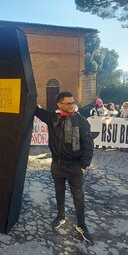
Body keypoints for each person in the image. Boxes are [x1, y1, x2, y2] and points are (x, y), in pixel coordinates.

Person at [34, 91, 94, 244]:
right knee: (59, 192)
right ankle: (61, 217)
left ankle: (81, 225)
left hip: (75, 166)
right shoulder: (53, 118)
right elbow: (34, 110)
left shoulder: (80, 121)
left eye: (73, 102)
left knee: (78, 196)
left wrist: (83, 165)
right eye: (68, 103)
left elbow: (89, 145)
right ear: (59, 104)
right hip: (57, 165)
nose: (72, 105)